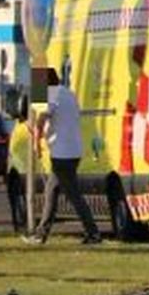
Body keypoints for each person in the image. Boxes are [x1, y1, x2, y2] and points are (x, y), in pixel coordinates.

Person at [28, 68, 102, 245]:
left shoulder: (51, 94)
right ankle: (41, 234)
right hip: (73, 150)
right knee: (51, 192)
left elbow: (42, 118)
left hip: (62, 153)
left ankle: (93, 233)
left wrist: (36, 142)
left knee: (72, 195)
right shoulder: (68, 94)